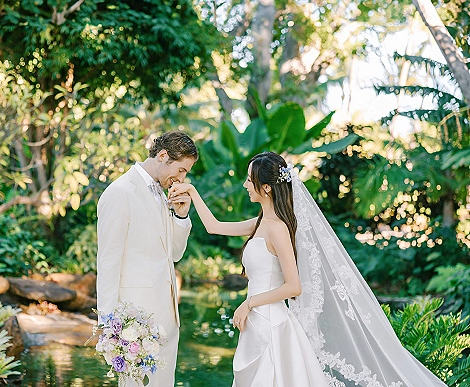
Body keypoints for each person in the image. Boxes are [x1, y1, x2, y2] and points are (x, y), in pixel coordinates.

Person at [168, 152, 447, 387]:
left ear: (265, 187)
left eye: (249, 180)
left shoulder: (277, 228)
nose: (244, 185)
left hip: (271, 324)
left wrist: (249, 303)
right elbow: (214, 227)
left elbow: (294, 286)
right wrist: (191, 192)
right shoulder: (260, 222)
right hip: (256, 323)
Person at [96, 131, 197, 387]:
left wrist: (181, 217)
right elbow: (108, 263)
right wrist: (109, 328)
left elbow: (173, 254)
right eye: (181, 170)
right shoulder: (119, 192)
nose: (183, 178)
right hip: (134, 325)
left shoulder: (163, 194)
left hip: (167, 318)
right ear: (163, 156)